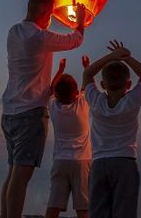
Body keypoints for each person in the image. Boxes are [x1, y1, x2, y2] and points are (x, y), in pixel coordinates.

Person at [0, 0, 86, 218]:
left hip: (9, 111)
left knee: (12, 174)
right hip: (30, 114)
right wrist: (80, 18)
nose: (51, 18)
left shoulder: (14, 32)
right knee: (21, 177)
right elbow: (76, 39)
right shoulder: (39, 37)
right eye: (50, 14)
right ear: (43, 13)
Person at [82, 40, 141, 218]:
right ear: (128, 85)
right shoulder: (131, 102)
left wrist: (112, 57)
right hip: (125, 164)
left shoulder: (96, 102)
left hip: (99, 164)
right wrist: (126, 57)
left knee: (98, 212)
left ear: (103, 85)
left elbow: (88, 74)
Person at [45, 56, 92, 218]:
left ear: (57, 95)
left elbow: (51, 90)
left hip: (60, 161)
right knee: (83, 208)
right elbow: (89, 83)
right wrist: (87, 67)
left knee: (54, 205)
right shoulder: (82, 104)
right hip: (82, 162)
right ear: (77, 92)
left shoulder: (54, 107)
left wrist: (59, 70)